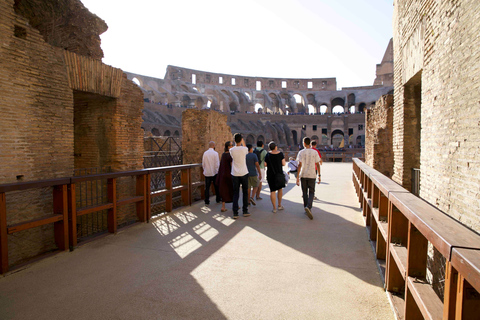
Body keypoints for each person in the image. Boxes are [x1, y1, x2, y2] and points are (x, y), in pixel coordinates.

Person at [296, 137, 321, 220]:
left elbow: (299, 165)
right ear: (309, 143)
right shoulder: (314, 152)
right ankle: (309, 207)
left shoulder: (301, 152)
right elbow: (318, 164)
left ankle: (306, 207)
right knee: (311, 192)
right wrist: (319, 175)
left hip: (303, 174)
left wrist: (297, 177)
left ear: (304, 143)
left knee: (304, 192)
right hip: (312, 174)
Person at [230, 133, 250, 219]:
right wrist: (243, 142)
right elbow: (246, 151)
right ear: (241, 140)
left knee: (235, 193)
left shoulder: (231, 150)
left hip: (235, 173)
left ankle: (235, 213)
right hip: (244, 173)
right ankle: (245, 211)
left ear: (234, 140)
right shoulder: (244, 149)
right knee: (245, 192)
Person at [264, 141, 286, 213]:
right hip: (279, 174)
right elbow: (284, 163)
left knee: (272, 190)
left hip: (270, 174)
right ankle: (279, 205)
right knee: (280, 189)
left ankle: (274, 208)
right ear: (276, 147)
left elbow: (265, 164)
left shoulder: (268, 155)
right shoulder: (280, 154)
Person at [216, 141, 234, 212]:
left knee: (224, 190)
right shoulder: (230, 155)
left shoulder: (223, 154)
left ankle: (223, 207)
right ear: (228, 147)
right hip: (229, 174)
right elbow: (232, 165)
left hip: (223, 175)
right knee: (232, 189)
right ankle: (235, 205)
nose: (232, 146)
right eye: (231, 145)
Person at [202, 141, 220, 206]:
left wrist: (205, 170)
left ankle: (207, 201)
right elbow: (216, 164)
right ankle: (218, 199)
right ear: (214, 145)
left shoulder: (205, 153)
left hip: (207, 172)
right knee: (216, 186)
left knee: (207, 187)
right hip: (214, 173)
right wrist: (217, 171)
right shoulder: (215, 153)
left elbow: (203, 163)